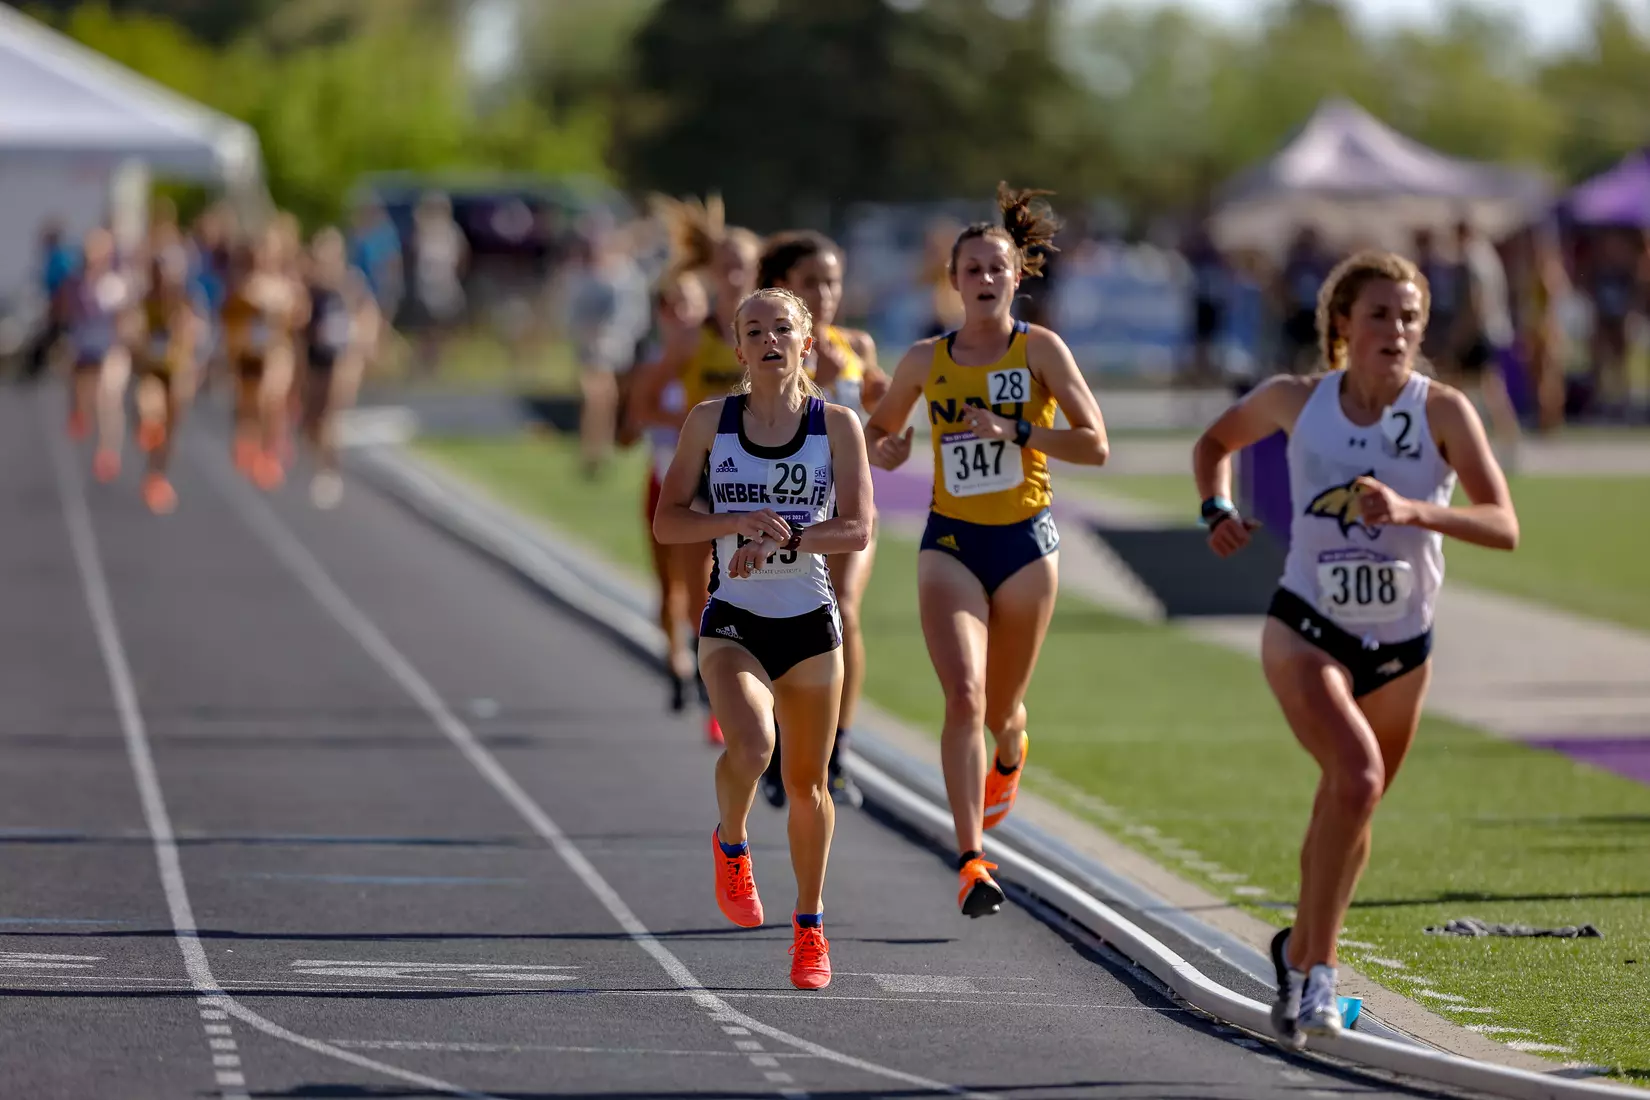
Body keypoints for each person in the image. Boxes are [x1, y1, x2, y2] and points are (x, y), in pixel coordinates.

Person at [1190, 250, 1518, 1045]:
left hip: (1404, 645)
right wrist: (1215, 510)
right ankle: (1322, 978)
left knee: (1353, 797)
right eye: (1380, 315)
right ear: (1342, 323)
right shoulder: (1296, 399)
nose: (1397, 331)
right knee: (1357, 771)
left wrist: (1413, 510)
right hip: (1307, 627)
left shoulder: (1443, 411)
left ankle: (1295, 954)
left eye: (1410, 317)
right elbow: (1213, 445)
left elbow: (1502, 523)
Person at [863, 183, 1110, 917]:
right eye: (971, 270)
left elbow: (1095, 445)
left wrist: (1019, 432)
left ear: (1017, 277)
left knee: (1001, 708)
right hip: (952, 541)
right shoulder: (922, 360)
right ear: (953, 281)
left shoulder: (1041, 350)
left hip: (1028, 544)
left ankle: (1011, 748)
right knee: (963, 696)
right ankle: (972, 857)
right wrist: (892, 445)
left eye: (996, 268)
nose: (985, 281)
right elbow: (875, 440)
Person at [652, 287, 872, 990]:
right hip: (735, 620)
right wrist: (733, 526)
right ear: (738, 348)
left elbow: (859, 528)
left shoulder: (836, 425)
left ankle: (809, 929)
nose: (771, 339)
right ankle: (733, 841)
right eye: (756, 330)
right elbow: (668, 520)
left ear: (808, 343)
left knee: (808, 784)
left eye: (784, 328)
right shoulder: (709, 422)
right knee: (752, 745)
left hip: (810, 623)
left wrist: (794, 533)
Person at [754, 230, 891, 811]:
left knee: (844, 609)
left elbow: (886, 434)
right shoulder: (771, 349)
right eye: (812, 282)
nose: (827, 293)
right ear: (783, 286)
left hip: (849, 510)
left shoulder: (856, 344)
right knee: (779, 621)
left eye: (833, 281)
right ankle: (782, 742)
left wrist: (870, 396)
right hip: (787, 509)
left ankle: (838, 749)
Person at [631, 194, 764, 746]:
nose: (733, 274)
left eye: (743, 266)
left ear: (758, 271)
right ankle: (716, 690)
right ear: (711, 271)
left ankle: (755, 698)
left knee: (758, 591)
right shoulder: (694, 338)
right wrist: (693, 420)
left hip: (758, 485)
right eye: (725, 265)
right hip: (700, 488)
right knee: (696, 592)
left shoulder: (773, 331)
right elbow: (640, 403)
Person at [626, 266, 710, 713]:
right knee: (668, 586)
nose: (682, 312)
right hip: (663, 479)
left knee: (708, 583)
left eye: (691, 302)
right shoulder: (656, 360)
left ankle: (706, 660)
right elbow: (637, 413)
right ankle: (676, 657)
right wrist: (680, 423)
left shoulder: (716, 354)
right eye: (672, 304)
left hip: (711, 486)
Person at [300, 227, 382, 509]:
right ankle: (321, 458)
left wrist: (366, 340)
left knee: (332, 413)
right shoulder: (310, 287)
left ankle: (328, 471)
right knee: (312, 420)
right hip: (316, 355)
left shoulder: (352, 284)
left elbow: (369, 311)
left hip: (345, 354)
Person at [221, 225, 306, 490]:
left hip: (277, 350)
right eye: (262, 250)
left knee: (273, 397)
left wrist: (281, 313)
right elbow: (230, 316)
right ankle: (251, 443)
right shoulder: (246, 283)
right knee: (251, 402)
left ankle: (271, 452)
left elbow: (301, 316)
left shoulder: (288, 284)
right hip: (250, 352)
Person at [132, 243, 205, 514]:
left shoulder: (186, 303)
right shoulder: (146, 301)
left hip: (176, 371)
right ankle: (147, 428)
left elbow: (192, 339)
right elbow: (134, 333)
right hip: (153, 370)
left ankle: (157, 474)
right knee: (149, 408)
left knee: (170, 430)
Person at [60, 227, 136, 484]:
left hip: (111, 348)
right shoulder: (77, 281)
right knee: (86, 397)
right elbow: (68, 312)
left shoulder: (116, 282)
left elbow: (125, 318)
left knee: (109, 398)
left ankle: (108, 451)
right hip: (84, 347)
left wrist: (122, 343)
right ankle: (79, 413)